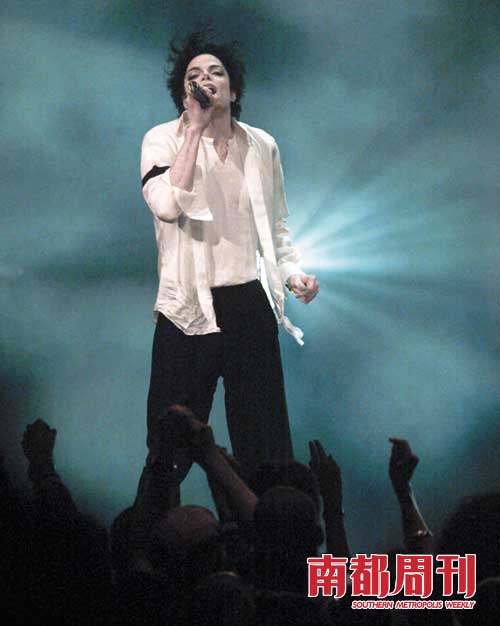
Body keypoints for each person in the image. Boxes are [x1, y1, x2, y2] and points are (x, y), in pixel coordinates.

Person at [136, 29, 319, 507]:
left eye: (215, 72)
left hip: (247, 304)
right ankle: (153, 540)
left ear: (233, 90)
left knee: (266, 443)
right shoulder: (162, 140)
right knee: (169, 444)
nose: (205, 80)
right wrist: (194, 131)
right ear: (184, 94)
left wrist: (292, 274)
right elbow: (167, 206)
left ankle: (269, 537)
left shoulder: (261, 145)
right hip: (187, 309)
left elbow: (276, 227)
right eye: (194, 75)